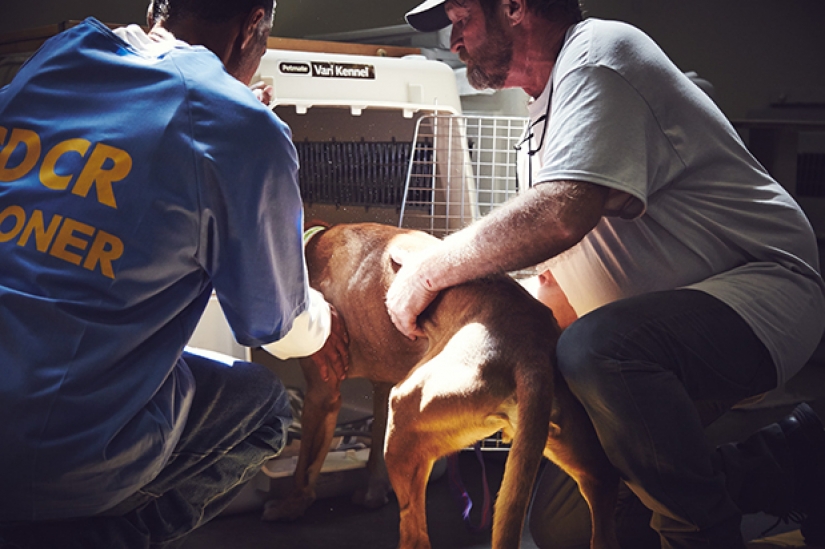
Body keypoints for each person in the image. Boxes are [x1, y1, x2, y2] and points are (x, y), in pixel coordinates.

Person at [392, 0, 825, 547]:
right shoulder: (543, 116)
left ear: (514, 6)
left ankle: (703, 536)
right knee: (570, 522)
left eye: (461, 19)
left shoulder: (599, 55)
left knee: (597, 350)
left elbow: (560, 214)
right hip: (650, 333)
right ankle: (788, 460)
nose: (454, 41)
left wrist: (429, 271)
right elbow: (554, 285)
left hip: (764, 291)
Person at [0, 0, 349, 547]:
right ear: (253, 25)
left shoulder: (59, 56)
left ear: (156, 7)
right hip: (56, 444)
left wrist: (235, 113)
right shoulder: (243, 129)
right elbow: (277, 329)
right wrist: (325, 318)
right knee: (264, 408)